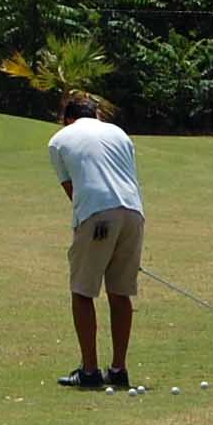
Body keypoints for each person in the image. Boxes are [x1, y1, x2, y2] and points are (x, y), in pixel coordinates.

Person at [47, 92, 142, 392]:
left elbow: (73, 190)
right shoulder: (120, 133)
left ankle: (89, 371)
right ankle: (118, 370)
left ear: (68, 118)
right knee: (120, 292)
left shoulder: (59, 139)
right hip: (133, 214)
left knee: (82, 292)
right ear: (97, 114)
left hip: (98, 216)